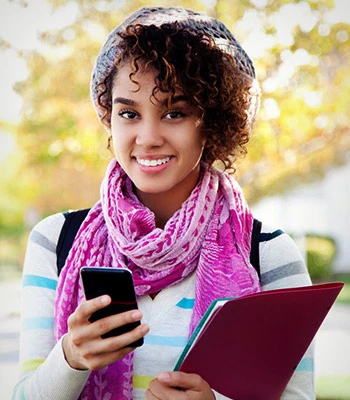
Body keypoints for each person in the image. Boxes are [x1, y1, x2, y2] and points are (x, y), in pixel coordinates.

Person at [13, 6, 314, 400]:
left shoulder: (269, 254)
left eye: (174, 112)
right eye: (128, 113)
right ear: (109, 117)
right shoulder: (56, 240)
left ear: (213, 122)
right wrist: (70, 358)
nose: (148, 137)